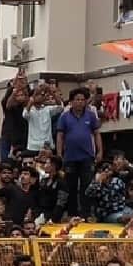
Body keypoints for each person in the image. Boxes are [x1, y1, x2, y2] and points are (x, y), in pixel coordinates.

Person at [56, 87, 101, 217]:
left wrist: (99, 152)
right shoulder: (64, 117)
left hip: (87, 156)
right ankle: (72, 214)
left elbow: (97, 134)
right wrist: (59, 154)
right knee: (70, 186)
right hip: (70, 157)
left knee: (87, 187)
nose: (80, 102)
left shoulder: (91, 116)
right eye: (77, 99)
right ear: (71, 101)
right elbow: (60, 136)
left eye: (82, 100)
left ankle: (85, 215)